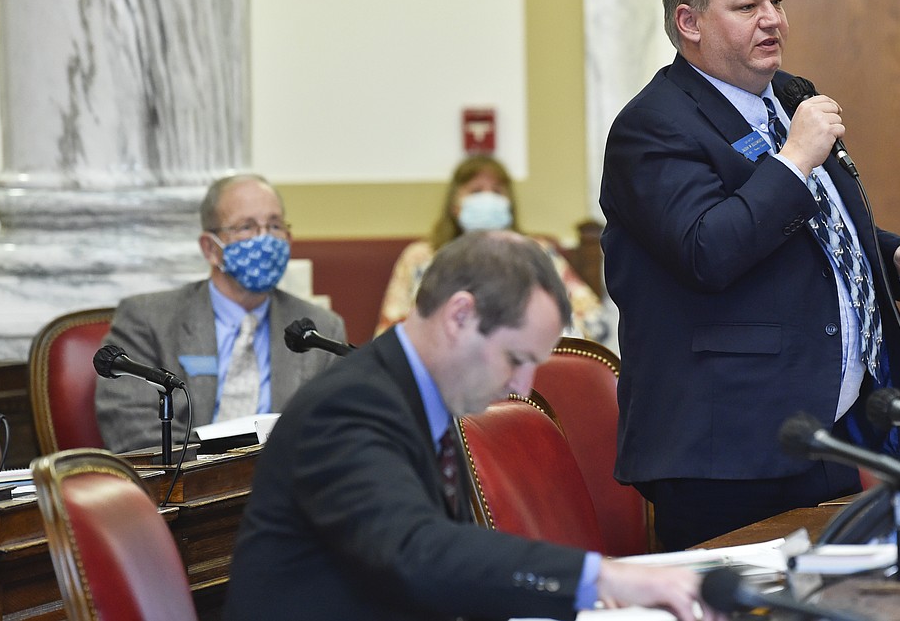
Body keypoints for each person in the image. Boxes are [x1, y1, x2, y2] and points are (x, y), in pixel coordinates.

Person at [599, 0, 900, 550]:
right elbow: (709, 250)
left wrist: (892, 255)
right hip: (724, 451)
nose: (774, 21)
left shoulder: (789, 96)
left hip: (820, 430)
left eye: (778, 1)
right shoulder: (651, 126)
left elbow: (817, 228)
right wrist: (792, 161)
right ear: (689, 22)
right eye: (747, 7)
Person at [223, 231, 717, 621]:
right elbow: (415, 552)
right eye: (516, 358)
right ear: (459, 315)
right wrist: (601, 579)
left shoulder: (424, 400)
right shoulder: (349, 408)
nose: (523, 389)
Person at [95, 173, 347, 453]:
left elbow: (333, 433)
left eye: (275, 226)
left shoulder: (321, 330)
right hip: (187, 488)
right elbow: (137, 434)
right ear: (210, 248)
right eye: (246, 227)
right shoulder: (148, 319)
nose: (265, 240)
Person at [376, 154, 609, 343]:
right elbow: (388, 335)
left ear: (508, 204)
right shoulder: (420, 258)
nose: (487, 198)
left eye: (497, 191)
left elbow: (595, 320)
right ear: (455, 205)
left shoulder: (537, 253)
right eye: (476, 191)